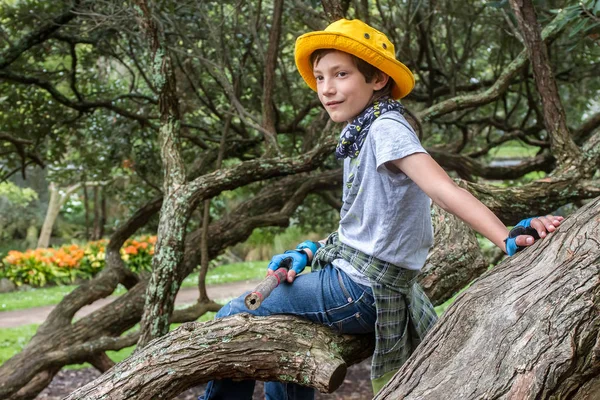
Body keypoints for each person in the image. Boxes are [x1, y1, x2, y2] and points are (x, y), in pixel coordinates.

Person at [199, 18, 563, 399]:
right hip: (363, 284)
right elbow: (364, 225)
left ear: (377, 80)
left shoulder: (385, 128)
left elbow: (441, 188)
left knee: (236, 316)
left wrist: (504, 236)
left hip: (361, 290)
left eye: (340, 74)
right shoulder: (361, 129)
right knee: (282, 339)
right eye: (320, 78)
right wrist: (308, 250)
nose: (327, 89)